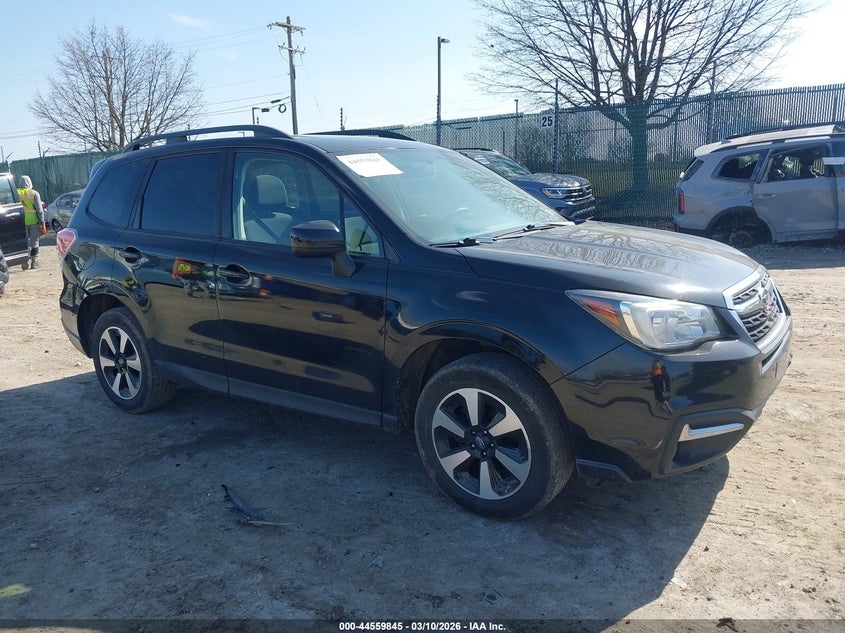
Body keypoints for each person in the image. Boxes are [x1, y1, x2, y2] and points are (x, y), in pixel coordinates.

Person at [17, 175, 45, 269]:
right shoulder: (34, 193)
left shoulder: (16, 193)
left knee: (24, 243)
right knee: (35, 242)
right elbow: (40, 210)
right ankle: (34, 262)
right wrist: (42, 221)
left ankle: (24, 262)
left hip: (20, 222)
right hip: (34, 221)